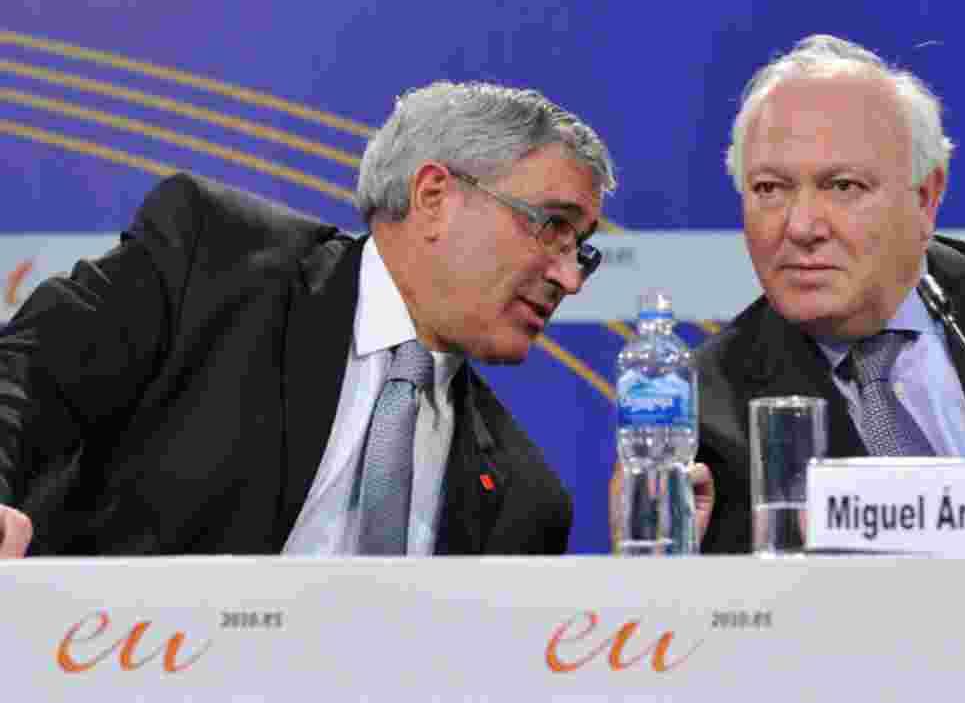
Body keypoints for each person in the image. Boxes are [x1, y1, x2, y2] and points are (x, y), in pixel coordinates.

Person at [0, 81, 617, 557]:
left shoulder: (526, 501)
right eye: (551, 227)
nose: (569, 277)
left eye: (581, 249)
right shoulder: (212, 265)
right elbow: (25, 377)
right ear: (434, 197)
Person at [698, 34, 965, 553]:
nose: (801, 226)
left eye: (843, 186)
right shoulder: (709, 413)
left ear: (926, 197)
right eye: (769, 189)